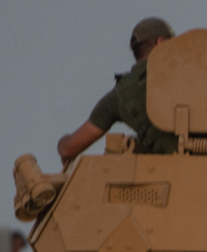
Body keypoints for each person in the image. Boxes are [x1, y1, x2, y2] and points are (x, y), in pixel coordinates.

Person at [58, 18, 180, 165]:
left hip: (173, 168)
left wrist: (62, 143)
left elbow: (69, 148)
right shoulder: (187, 72)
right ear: (161, 43)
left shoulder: (119, 95)